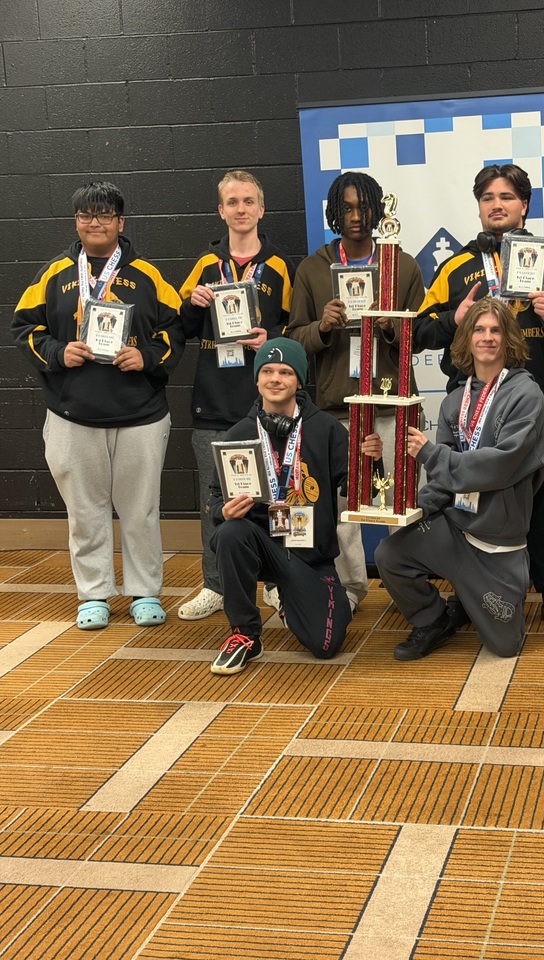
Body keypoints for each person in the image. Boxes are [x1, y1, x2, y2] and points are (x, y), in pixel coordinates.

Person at [413, 163, 544, 635]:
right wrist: (453, 321)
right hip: (471, 409)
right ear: (479, 206)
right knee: (466, 501)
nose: (497, 204)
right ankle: (467, 591)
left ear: (524, 205)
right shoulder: (455, 267)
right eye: (488, 197)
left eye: (507, 196)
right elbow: (416, 333)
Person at [11, 181, 183, 630]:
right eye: (87, 215)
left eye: (105, 215)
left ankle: (145, 591)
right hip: (73, 415)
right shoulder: (53, 274)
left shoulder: (148, 274)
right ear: (76, 222)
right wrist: (57, 353)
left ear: (120, 223)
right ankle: (94, 595)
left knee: (141, 509)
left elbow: (175, 332)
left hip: (141, 415)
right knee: (85, 512)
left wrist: (146, 356)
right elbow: (23, 328)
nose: (95, 222)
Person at [375, 297, 544, 660]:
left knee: (505, 647)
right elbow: (441, 481)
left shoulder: (525, 393)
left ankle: (472, 597)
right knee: (390, 554)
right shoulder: (455, 401)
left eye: (496, 330)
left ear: (508, 339)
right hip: (455, 531)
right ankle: (433, 619)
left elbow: (499, 466)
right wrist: (413, 507)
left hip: (497, 541)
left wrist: (429, 453)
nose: (487, 337)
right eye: (479, 330)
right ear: (467, 338)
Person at [286, 171, 424, 610]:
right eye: (346, 208)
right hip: (337, 406)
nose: (356, 217)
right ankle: (349, 591)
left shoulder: (402, 264)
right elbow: (293, 339)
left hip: (391, 404)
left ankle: (409, 589)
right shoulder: (311, 268)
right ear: (333, 213)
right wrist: (321, 327)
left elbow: (422, 335)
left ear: (377, 210)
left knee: (399, 501)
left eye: (363, 207)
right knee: (343, 509)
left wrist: (392, 327)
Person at [207, 338, 382, 674]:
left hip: (310, 555)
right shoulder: (238, 434)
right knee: (230, 533)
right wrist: (222, 512)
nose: (275, 378)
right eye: (268, 371)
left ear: (299, 381)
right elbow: (215, 499)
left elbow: (361, 493)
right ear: (257, 379)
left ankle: (293, 600)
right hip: (260, 546)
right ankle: (245, 634)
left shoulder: (327, 430)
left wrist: (372, 462)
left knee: (325, 646)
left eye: (285, 372)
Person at [176, 170, 294, 620]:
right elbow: (180, 329)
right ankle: (216, 585)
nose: (241, 209)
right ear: (220, 210)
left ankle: (278, 581)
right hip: (213, 405)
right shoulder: (205, 268)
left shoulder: (280, 265)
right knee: (215, 504)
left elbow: (293, 332)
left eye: (248, 201)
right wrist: (193, 304)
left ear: (261, 210)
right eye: (232, 202)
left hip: (267, 407)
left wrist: (270, 337)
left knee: (278, 495)